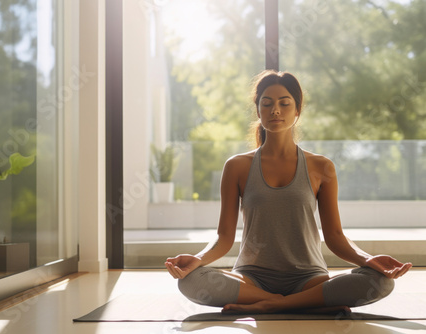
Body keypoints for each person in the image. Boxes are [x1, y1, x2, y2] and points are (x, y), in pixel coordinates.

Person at [165, 70, 413, 314]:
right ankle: (304, 303)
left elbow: (335, 236)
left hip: (308, 277)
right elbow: (224, 238)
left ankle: (272, 305)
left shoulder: (321, 167)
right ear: (258, 110)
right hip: (252, 278)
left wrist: (369, 260)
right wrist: (197, 259)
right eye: (267, 103)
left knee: (380, 281)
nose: (275, 110)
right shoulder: (236, 166)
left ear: (297, 110)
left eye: (285, 103)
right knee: (190, 281)